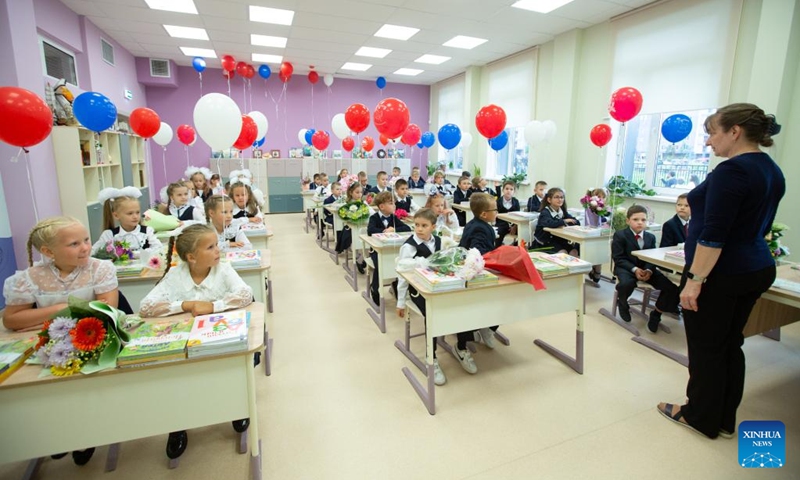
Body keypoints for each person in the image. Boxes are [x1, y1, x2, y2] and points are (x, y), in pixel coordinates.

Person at [657, 103, 785, 439]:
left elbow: (714, 235)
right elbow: (762, 226)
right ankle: (724, 417)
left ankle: (699, 415)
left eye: (713, 133)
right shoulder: (771, 169)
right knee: (730, 345)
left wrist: (695, 281)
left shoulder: (732, 172)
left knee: (706, 348)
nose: (709, 142)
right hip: (755, 265)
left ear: (734, 132)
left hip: (722, 273)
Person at [2, 217, 119, 465]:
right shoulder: (28, 278)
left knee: (87, 386)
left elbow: (105, 309)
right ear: (47, 251)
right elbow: (12, 320)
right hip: (50, 342)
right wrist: (63, 307)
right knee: (44, 388)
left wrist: (42, 316)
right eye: (74, 244)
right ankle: (59, 435)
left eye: (86, 240)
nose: (85, 247)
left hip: (94, 336)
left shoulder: (100, 268)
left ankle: (87, 436)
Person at [139, 224, 253, 461]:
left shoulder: (223, 269)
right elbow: (146, 307)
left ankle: (237, 406)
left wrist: (213, 306)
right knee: (178, 380)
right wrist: (185, 305)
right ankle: (178, 424)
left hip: (218, 338)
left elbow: (245, 294)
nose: (217, 250)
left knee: (225, 372)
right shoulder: (175, 275)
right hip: (184, 340)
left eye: (216, 245)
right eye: (210, 247)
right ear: (191, 257)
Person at [395, 208, 446, 385]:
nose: (419, 229)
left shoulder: (438, 241)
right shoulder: (409, 246)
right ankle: (430, 358)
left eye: (424, 225)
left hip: (436, 286)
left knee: (453, 305)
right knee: (432, 315)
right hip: (418, 291)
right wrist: (401, 302)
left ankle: (460, 345)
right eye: (416, 225)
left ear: (433, 226)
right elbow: (402, 274)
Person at [611, 205, 679, 332]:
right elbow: (619, 258)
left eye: (643, 220)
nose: (640, 223)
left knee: (672, 288)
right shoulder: (620, 235)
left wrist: (648, 270)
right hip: (626, 268)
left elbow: (651, 257)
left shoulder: (650, 237)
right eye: (635, 219)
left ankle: (656, 314)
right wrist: (635, 269)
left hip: (647, 269)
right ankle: (623, 302)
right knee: (626, 283)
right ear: (628, 221)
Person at [455, 192, 499, 372]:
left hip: (478, 271)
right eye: (495, 210)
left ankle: (488, 326)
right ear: (483, 214)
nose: (497, 212)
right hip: (474, 275)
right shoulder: (480, 228)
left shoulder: (477, 224)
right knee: (472, 308)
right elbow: (478, 252)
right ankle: (461, 345)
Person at [367, 191, 411, 304]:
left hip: (392, 248)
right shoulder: (374, 217)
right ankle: (375, 288)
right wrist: (384, 231)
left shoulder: (393, 217)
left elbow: (406, 228)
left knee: (398, 262)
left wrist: (394, 230)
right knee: (380, 265)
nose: (394, 206)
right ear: (382, 206)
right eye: (391, 203)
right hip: (376, 250)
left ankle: (396, 283)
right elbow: (370, 231)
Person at [91, 187, 161, 256]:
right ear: (116, 215)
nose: (135, 216)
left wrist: (137, 254)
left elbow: (158, 247)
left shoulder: (147, 231)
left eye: (137, 212)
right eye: (130, 213)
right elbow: (93, 252)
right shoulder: (109, 235)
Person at [534, 187, 579, 255]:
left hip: (559, 241)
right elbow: (550, 223)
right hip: (545, 242)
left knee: (574, 252)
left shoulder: (562, 211)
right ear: (549, 200)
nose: (560, 199)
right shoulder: (545, 212)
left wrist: (568, 223)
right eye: (556, 197)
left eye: (561, 197)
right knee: (563, 253)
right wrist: (564, 221)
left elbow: (576, 222)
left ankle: (568, 266)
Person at [495, 180, 520, 247]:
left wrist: (514, 226)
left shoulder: (516, 201)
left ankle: (515, 246)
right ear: (503, 190)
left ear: (514, 192)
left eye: (511, 189)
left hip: (514, 224)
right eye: (506, 189)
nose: (508, 191)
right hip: (501, 224)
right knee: (499, 233)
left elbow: (518, 215)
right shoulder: (498, 201)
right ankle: (497, 248)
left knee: (524, 232)